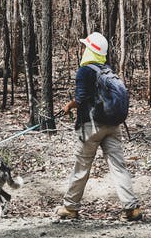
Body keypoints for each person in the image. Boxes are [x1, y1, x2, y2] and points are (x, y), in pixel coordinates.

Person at [54, 32, 141, 222]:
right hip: (113, 126)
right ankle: (131, 208)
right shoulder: (107, 70)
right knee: (118, 167)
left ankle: (70, 207)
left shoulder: (85, 71)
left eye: (86, 47)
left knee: (82, 166)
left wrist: (69, 106)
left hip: (91, 126)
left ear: (90, 50)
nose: (83, 49)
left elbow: (81, 98)